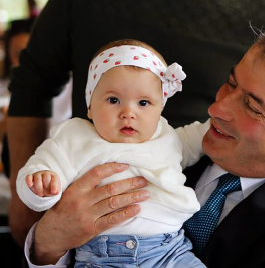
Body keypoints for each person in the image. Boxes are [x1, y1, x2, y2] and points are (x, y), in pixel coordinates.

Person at [6, 0, 265, 250]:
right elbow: (33, 83)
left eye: (249, 101)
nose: (218, 106)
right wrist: (31, 219)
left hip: (201, 179)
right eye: (228, 83)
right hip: (87, 193)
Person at [17, 39, 210, 267]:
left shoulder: (169, 137)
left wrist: (221, 123)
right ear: (89, 106)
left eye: (144, 102)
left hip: (169, 252)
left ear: (161, 109)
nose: (128, 112)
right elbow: (39, 169)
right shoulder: (75, 137)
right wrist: (40, 187)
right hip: (102, 254)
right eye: (114, 100)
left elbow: (205, 133)